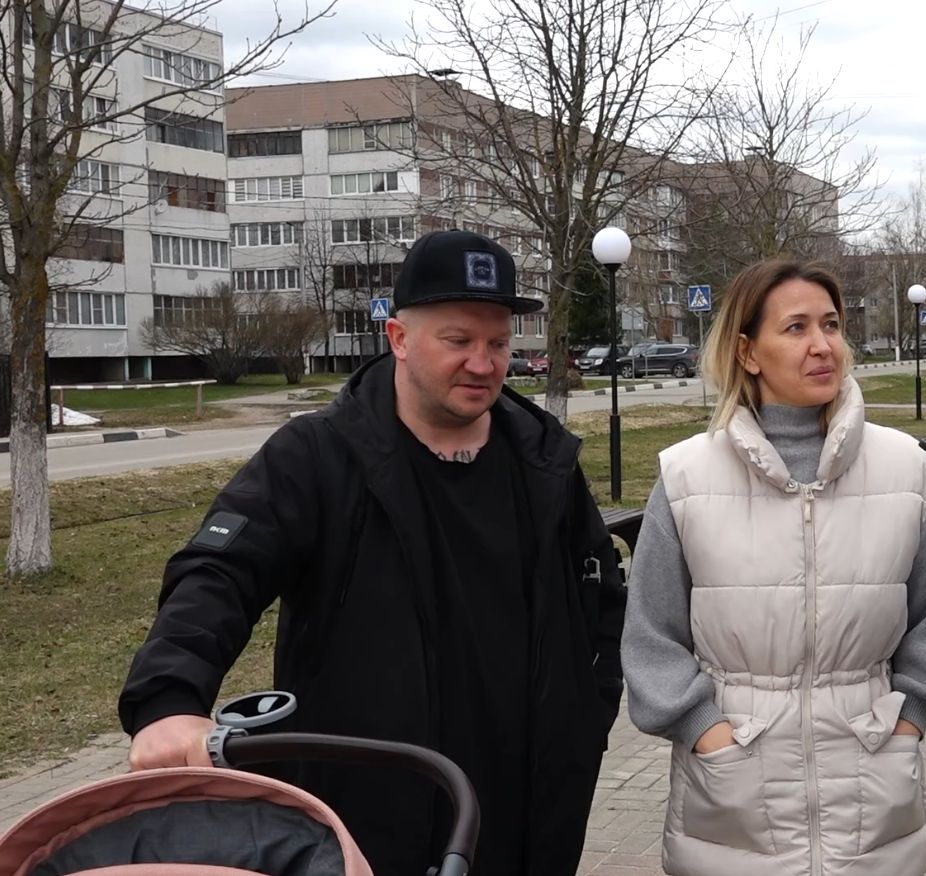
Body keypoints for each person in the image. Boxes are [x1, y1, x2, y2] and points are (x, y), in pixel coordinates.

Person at [118, 229, 627, 875]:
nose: (483, 362)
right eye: (458, 340)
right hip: (371, 801)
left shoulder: (545, 462)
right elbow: (218, 573)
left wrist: (586, 718)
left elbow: (602, 603)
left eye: (497, 343)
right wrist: (168, 703)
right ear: (399, 339)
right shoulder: (317, 456)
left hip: (530, 803)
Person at [622, 260, 926, 876]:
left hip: (872, 789)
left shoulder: (908, 470)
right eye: (796, 328)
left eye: (832, 325)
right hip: (732, 799)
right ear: (747, 351)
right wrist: (705, 731)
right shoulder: (686, 477)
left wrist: (909, 723)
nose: (822, 345)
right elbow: (652, 635)